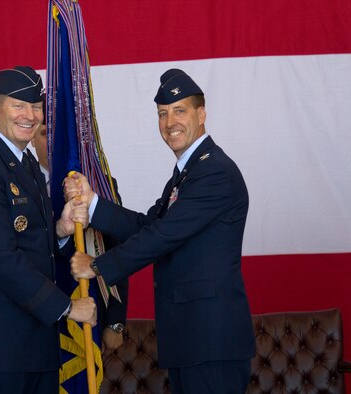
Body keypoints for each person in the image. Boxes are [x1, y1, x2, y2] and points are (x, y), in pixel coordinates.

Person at [66, 69, 255, 393]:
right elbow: (149, 226)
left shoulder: (215, 172)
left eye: (180, 111)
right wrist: (94, 203)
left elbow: (162, 237)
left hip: (211, 343)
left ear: (202, 114)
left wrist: (97, 266)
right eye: (162, 114)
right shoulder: (187, 174)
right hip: (190, 340)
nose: (170, 122)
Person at [0, 66, 97, 394]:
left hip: (36, 345)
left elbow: (32, 243)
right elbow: (2, 258)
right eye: (18, 105)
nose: (29, 115)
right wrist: (68, 308)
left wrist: (60, 228)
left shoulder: (26, 164)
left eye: (35, 106)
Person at [31, 119, 128, 353]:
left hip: (90, 314)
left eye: (59, 136)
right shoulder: (20, 185)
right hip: (35, 316)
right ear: (32, 139)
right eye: (45, 134)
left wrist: (115, 322)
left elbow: (117, 252)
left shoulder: (98, 186)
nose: (53, 143)